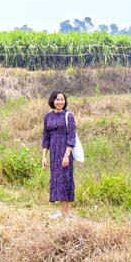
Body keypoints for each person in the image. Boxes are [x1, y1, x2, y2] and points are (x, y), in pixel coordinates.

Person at [41, 90, 77, 220]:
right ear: (52, 101)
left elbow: (71, 137)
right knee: (57, 181)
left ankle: (67, 214)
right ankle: (61, 212)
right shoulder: (48, 117)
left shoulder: (69, 116)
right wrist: (44, 156)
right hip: (54, 154)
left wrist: (67, 155)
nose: (60, 102)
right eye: (57, 99)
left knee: (66, 180)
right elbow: (46, 137)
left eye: (62, 99)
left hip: (65, 152)